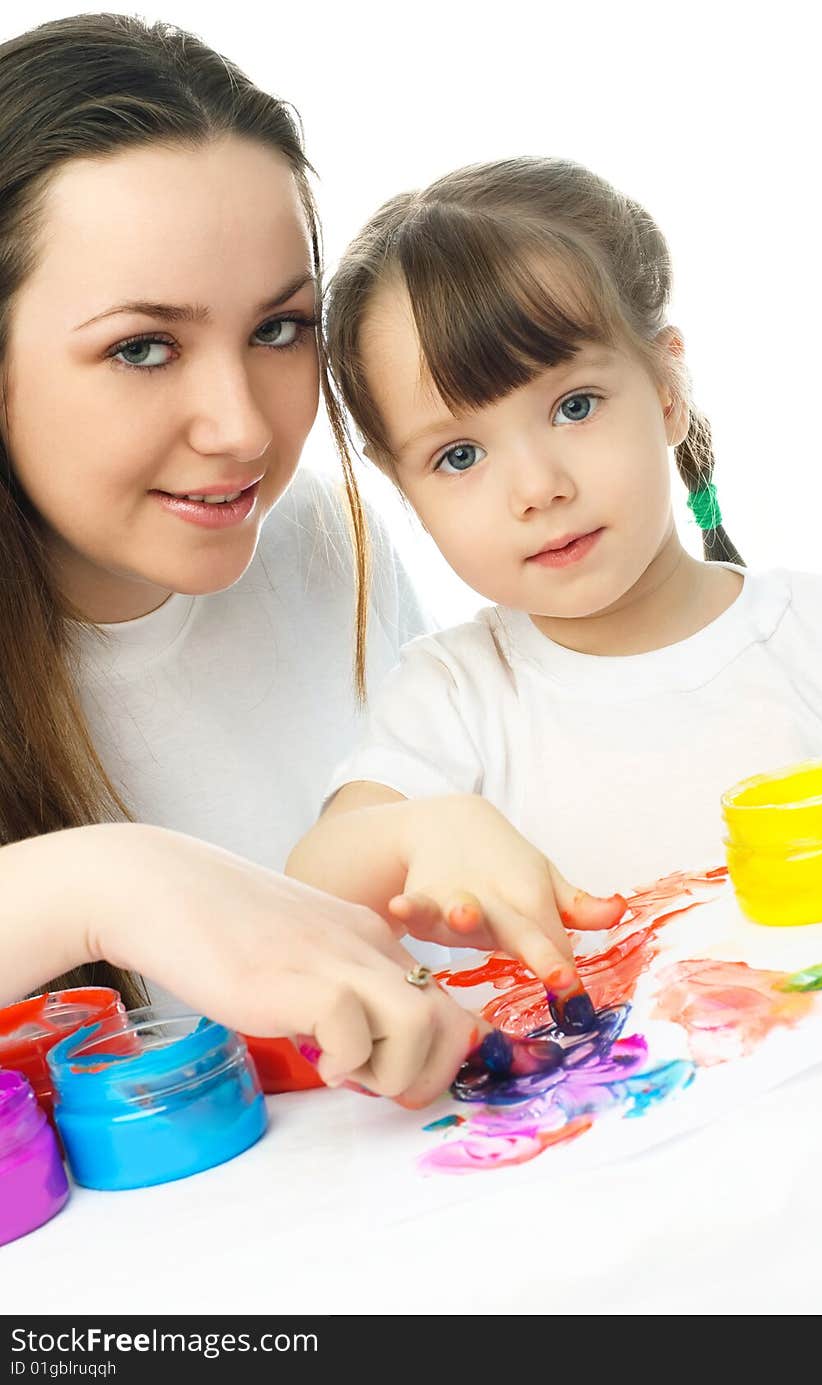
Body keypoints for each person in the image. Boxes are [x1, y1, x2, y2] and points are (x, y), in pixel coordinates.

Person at [0, 12, 483, 1105]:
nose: (244, 431)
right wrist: (101, 881)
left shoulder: (313, 536)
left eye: (278, 329)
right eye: (142, 347)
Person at [285, 155, 822, 963]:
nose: (536, 488)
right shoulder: (460, 695)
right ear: (404, 487)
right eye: (459, 455)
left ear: (668, 387)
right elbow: (309, 884)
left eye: (573, 406)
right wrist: (421, 827)